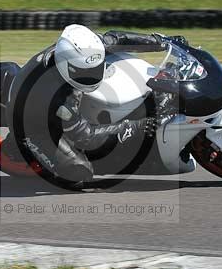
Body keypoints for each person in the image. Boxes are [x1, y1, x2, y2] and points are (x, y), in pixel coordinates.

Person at [47, 24, 174, 184]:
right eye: (86, 73)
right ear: (68, 68)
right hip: (37, 128)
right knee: (79, 173)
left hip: (69, 103)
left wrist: (160, 42)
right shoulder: (60, 101)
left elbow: (117, 39)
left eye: (95, 69)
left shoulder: (85, 51)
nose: (93, 76)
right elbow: (86, 136)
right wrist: (137, 126)